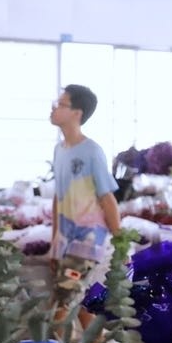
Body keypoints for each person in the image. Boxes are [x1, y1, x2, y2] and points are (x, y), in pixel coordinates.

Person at [48, 84, 120, 315]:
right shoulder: (59, 150)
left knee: (62, 301)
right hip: (65, 239)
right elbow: (59, 198)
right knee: (80, 303)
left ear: (77, 114)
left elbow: (107, 197)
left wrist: (119, 240)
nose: (54, 108)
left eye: (61, 104)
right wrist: (54, 242)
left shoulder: (92, 152)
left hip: (87, 240)